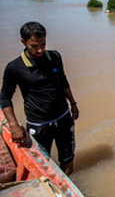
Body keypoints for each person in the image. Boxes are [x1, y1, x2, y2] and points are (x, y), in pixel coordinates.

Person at [0, 21, 79, 175]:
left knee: (68, 159)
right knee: (42, 165)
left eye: (43, 44)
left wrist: (73, 103)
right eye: (34, 46)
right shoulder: (14, 68)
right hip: (39, 124)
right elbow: (5, 97)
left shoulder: (55, 56)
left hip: (63, 117)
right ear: (23, 42)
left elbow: (63, 81)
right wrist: (14, 125)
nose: (40, 49)